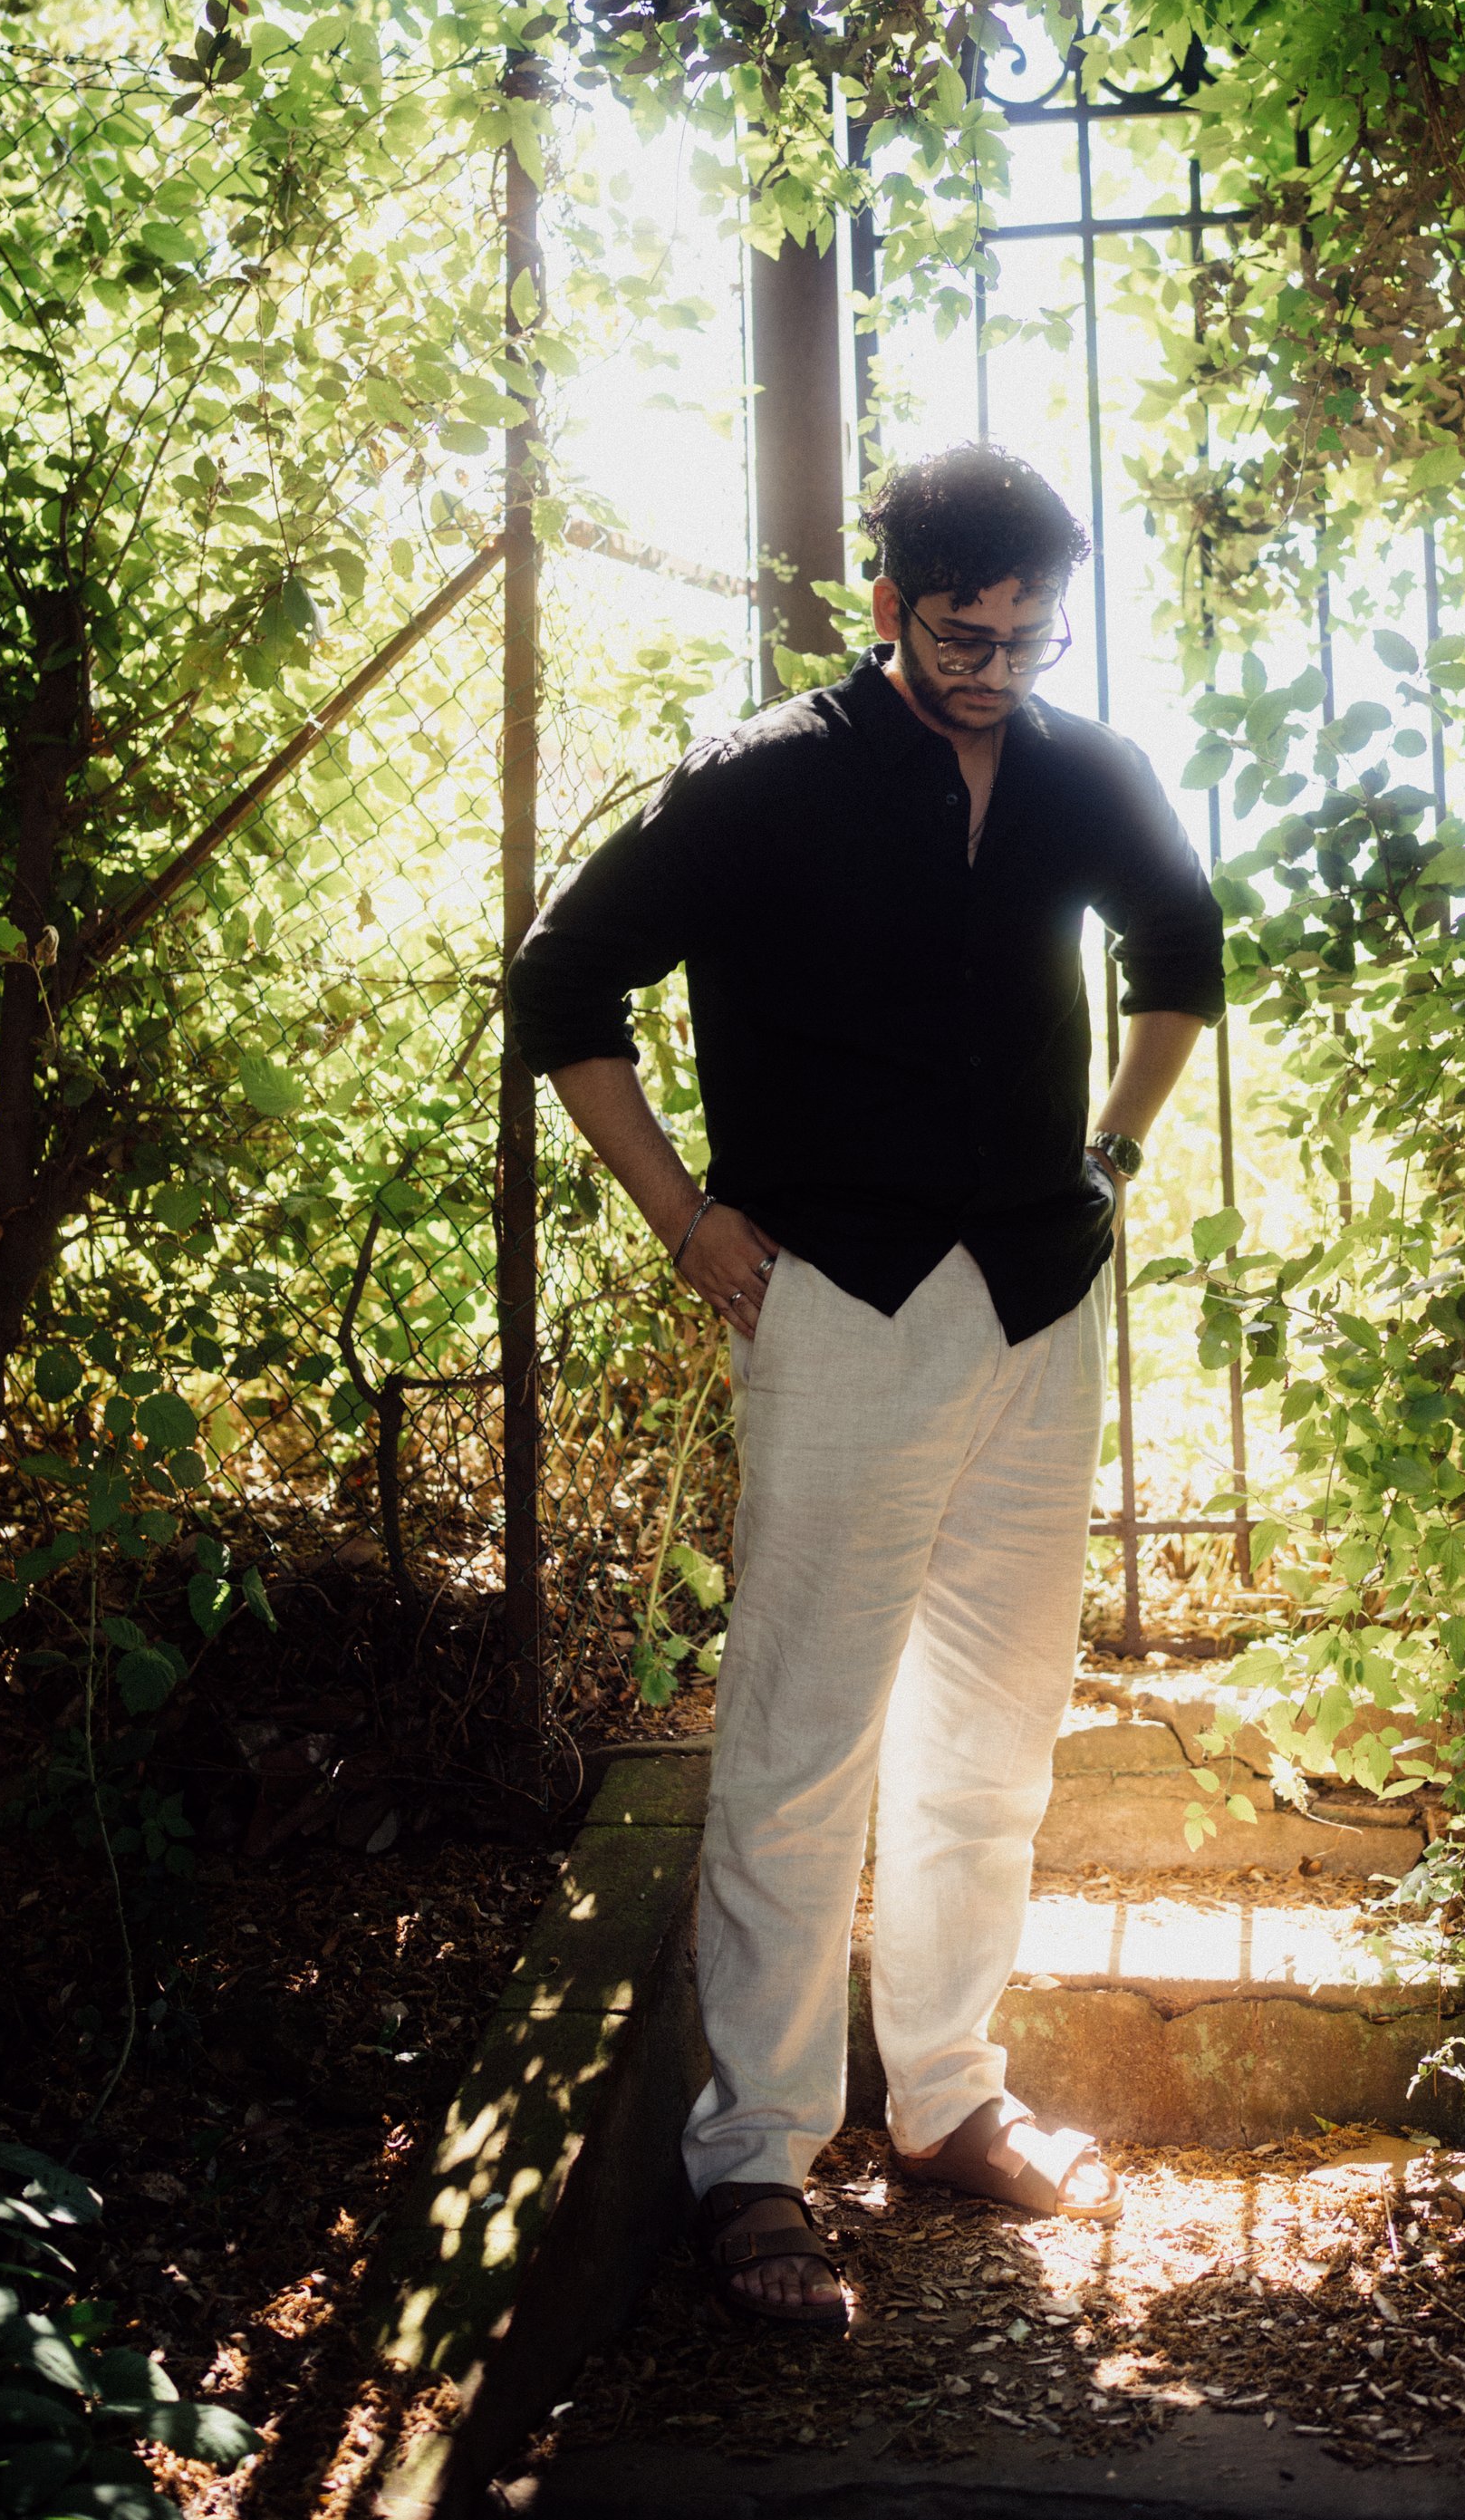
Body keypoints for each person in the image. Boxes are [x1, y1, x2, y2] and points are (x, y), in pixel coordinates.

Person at [506, 442, 1223, 2332]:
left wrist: (1115, 1154)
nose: (994, 664)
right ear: (890, 599)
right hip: (836, 1295)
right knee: (799, 1739)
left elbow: (1180, 945)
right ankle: (752, 2159)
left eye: (1026, 634)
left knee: (991, 1733)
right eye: (961, 630)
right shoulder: (761, 782)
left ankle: (947, 2097)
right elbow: (561, 984)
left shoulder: (1082, 770)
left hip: (1036, 1299)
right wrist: (683, 1217)